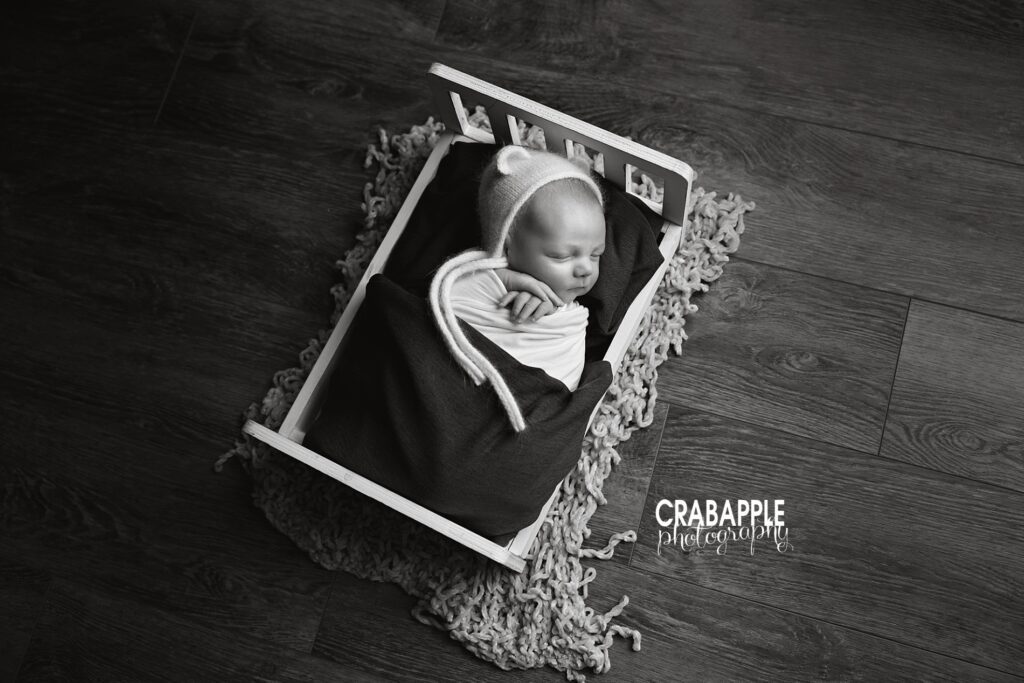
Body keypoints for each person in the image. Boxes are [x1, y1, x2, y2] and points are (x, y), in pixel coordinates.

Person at [429, 145, 605, 432]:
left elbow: (561, 380)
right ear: (507, 243)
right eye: (562, 256)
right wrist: (501, 278)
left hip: (526, 415)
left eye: (596, 254)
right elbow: (442, 303)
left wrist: (552, 309)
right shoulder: (473, 279)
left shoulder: (568, 320)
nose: (585, 268)